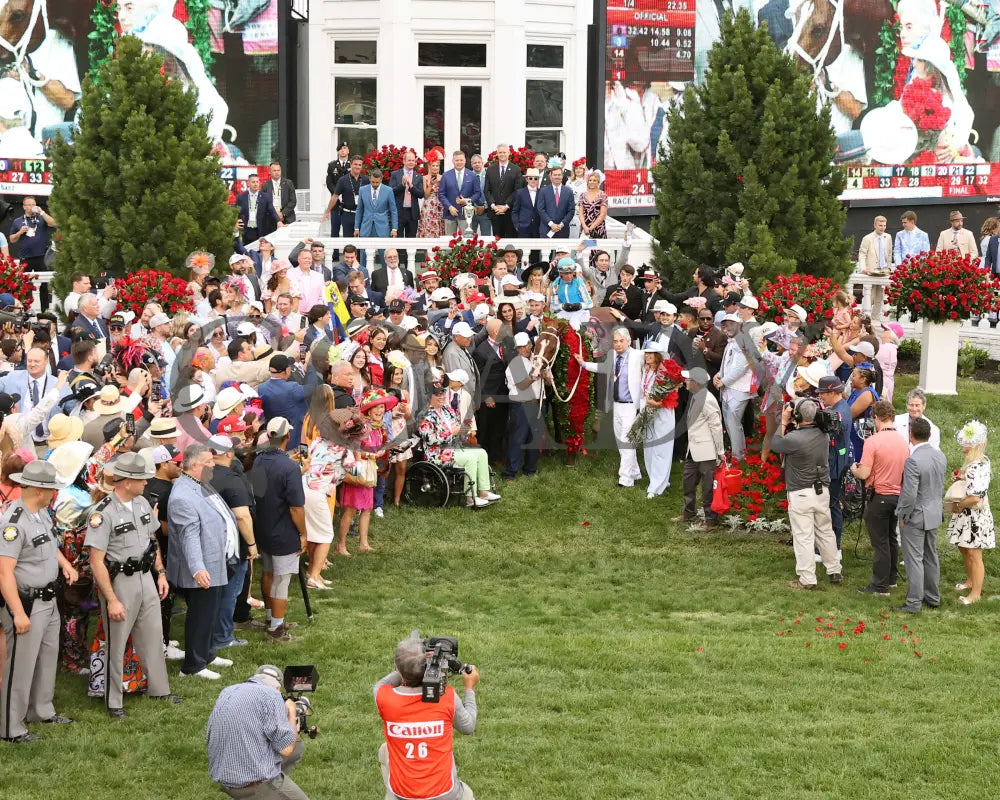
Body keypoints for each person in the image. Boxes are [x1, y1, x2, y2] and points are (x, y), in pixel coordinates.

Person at [86, 452, 182, 714]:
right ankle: (113, 701)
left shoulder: (141, 503)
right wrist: (112, 599)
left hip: (145, 578)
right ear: (126, 482)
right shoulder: (102, 513)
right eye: (141, 479)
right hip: (119, 582)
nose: (146, 483)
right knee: (116, 643)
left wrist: (160, 573)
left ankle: (160, 689)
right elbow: (96, 561)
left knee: (153, 635)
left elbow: (152, 541)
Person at [0, 461, 78, 743]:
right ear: (38, 489)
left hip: (48, 599)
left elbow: (47, 546)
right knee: (20, 665)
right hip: (27, 603)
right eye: (51, 488)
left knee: (47, 657)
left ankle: (41, 710)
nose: (54, 493)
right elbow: (4, 572)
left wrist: (65, 564)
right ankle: (11, 726)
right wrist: (18, 613)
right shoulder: (14, 523)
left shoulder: (40, 513)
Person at [374, 633, 479, 800]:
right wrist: (469, 688)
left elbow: (382, 683)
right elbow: (468, 726)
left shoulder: (383, 697)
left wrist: (409, 664)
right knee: (467, 794)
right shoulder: (446, 697)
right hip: (445, 795)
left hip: (402, 795)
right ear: (427, 666)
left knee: (385, 749)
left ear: (397, 669)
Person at [167, 445, 238, 678]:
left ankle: (207, 653)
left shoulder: (199, 483)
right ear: (195, 465)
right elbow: (189, 537)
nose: (213, 464)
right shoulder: (182, 496)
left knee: (210, 612)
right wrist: (198, 568)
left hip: (214, 562)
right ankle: (193, 666)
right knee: (200, 615)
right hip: (200, 567)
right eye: (209, 461)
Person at [207, 664, 309, 800]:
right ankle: (266, 792)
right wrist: (291, 712)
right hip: (251, 784)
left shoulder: (228, 691)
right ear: (278, 688)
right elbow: (286, 749)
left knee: (298, 748)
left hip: (224, 775)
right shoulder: (272, 695)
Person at [771, 399, 843, 589]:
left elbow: (776, 444)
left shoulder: (794, 438)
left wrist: (784, 421)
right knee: (825, 531)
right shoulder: (823, 435)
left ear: (797, 416)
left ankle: (807, 578)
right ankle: (834, 570)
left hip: (800, 493)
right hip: (822, 491)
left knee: (803, 536)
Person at [250, 418, 307, 642]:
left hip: (262, 527)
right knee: (282, 580)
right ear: (287, 437)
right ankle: (276, 629)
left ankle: (271, 617)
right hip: (283, 531)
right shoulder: (290, 468)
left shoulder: (259, 459)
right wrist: (303, 533)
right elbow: (296, 508)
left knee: (268, 573)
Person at [850, 401, 910, 598]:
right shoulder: (903, 441)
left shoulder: (873, 441)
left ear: (876, 418)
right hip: (897, 496)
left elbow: (864, 472)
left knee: (880, 542)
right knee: (892, 538)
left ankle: (880, 586)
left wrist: (854, 469)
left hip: (879, 496)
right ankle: (891, 578)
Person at [208, 435, 256, 651]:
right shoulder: (232, 479)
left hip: (208, 543)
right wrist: (252, 544)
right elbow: (242, 517)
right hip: (232, 547)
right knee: (230, 592)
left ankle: (211, 632)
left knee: (214, 593)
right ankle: (223, 636)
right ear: (228, 454)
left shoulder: (201, 475)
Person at [893, 417, 946, 614]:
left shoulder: (913, 460)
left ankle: (913, 602)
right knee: (931, 556)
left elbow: (909, 495)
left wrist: (903, 516)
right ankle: (933, 597)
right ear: (930, 435)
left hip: (915, 515)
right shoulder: (940, 456)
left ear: (911, 435)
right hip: (933, 512)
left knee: (914, 559)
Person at [578, 327, 642, 487]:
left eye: (621, 341)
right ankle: (634, 472)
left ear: (628, 341)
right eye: (615, 341)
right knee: (621, 440)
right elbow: (604, 368)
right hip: (616, 404)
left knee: (627, 440)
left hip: (630, 405)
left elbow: (658, 361)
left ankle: (625, 479)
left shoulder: (638, 356)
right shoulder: (613, 356)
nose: (618, 344)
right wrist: (584, 364)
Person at [419, 381, 499, 508]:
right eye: (437, 395)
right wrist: (451, 433)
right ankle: (470, 498)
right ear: (429, 397)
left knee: (482, 453)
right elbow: (430, 439)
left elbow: (457, 427)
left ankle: (484, 491)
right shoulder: (425, 415)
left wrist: (463, 429)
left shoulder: (448, 410)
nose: (441, 397)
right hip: (437, 453)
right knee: (470, 458)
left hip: (454, 447)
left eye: (442, 394)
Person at [947, 420, 994, 605]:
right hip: (968, 515)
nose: (963, 445)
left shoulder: (977, 465)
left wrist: (959, 505)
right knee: (964, 546)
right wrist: (961, 475)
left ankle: (975, 593)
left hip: (974, 515)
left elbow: (975, 497)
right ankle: (970, 580)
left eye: (966, 442)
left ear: (974, 444)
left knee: (974, 553)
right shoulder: (978, 461)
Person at [672, 367, 724, 529]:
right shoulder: (696, 396)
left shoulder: (707, 400)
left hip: (707, 451)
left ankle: (711, 521)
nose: (685, 381)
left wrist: (720, 452)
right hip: (693, 450)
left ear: (696, 383)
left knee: (708, 488)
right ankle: (688, 513)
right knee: (688, 482)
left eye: (688, 380)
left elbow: (716, 427)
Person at [503, 332, 546, 481]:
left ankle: (530, 469)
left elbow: (547, 382)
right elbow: (521, 386)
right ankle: (510, 473)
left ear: (531, 345)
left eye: (526, 346)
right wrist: (534, 376)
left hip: (538, 403)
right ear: (517, 349)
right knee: (517, 439)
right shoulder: (515, 363)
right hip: (521, 406)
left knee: (535, 438)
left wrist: (545, 374)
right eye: (520, 348)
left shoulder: (539, 359)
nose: (524, 349)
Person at [816, 376, 853, 553]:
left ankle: (834, 547)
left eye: (822, 394)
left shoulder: (840, 413)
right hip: (837, 464)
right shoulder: (841, 407)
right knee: (832, 504)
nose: (821, 397)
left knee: (831, 505)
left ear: (832, 392)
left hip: (834, 468)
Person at [713, 314, 752, 462]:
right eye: (724, 325)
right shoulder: (732, 342)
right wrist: (719, 374)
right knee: (731, 424)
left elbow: (740, 368)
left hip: (739, 390)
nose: (727, 328)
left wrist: (723, 381)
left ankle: (738, 457)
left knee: (734, 423)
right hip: (729, 387)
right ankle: (737, 453)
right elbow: (728, 364)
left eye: (730, 324)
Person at [438, 150, 482, 236]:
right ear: (453, 161)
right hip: (450, 214)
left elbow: (477, 193)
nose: (459, 162)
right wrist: (450, 207)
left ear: (465, 160)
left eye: (461, 160)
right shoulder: (446, 175)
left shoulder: (472, 175)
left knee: (466, 241)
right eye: (457, 160)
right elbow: (441, 194)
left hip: (466, 215)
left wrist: (468, 200)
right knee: (449, 241)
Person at [484, 143, 522, 238]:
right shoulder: (490, 169)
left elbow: (517, 190)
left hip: (510, 212)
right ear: (497, 154)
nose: (502, 154)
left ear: (509, 153)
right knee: (496, 240)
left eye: (504, 152)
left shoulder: (516, 169)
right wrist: (493, 206)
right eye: (500, 152)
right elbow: (487, 190)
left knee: (510, 239)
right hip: (495, 212)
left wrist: (506, 206)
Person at [9, 197, 56, 273]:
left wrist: (42, 212)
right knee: (23, 282)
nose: (32, 206)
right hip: (25, 257)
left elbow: (54, 223)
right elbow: (12, 239)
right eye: (29, 205)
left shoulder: (42, 218)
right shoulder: (17, 221)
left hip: (42, 257)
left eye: (34, 204)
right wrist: (20, 232)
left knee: (44, 282)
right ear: (24, 207)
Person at [390, 149, 425, 239]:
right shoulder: (395, 174)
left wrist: (412, 187)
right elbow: (391, 192)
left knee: (411, 239)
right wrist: (402, 185)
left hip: (412, 213)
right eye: (409, 160)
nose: (411, 162)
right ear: (404, 161)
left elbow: (421, 194)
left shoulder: (419, 176)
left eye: (413, 160)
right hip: (399, 212)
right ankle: (400, 254)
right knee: (399, 240)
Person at [355, 167, 399, 239]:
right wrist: (356, 227)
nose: (375, 184)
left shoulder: (388, 190)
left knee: (383, 250)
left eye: (377, 182)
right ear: (370, 179)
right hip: (366, 228)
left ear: (381, 180)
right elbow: (359, 209)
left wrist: (394, 229)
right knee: (364, 250)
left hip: (383, 228)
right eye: (372, 182)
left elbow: (393, 210)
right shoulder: (362, 190)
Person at [237, 174, 279, 245]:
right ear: (248, 183)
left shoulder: (266, 197)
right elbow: (237, 212)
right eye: (253, 182)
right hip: (247, 230)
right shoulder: (241, 197)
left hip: (261, 230)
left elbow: (271, 210)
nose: (255, 184)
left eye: (257, 182)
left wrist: (278, 221)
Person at [536, 162, 575, 238]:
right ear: (550, 177)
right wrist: (551, 224)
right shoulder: (543, 191)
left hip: (563, 230)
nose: (557, 177)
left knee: (561, 250)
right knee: (546, 250)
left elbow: (571, 211)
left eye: (559, 175)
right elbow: (541, 209)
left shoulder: (569, 192)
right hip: (546, 230)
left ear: (562, 176)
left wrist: (561, 225)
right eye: (555, 175)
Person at [417, 150, 446, 238]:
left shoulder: (443, 177)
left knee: (439, 233)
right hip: (429, 208)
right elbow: (425, 196)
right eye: (433, 165)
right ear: (429, 166)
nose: (435, 167)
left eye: (437, 166)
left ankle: (438, 252)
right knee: (428, 232)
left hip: (440, 208)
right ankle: (426, 252)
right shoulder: (424, 178)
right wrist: (430, 185)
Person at [326, 141, 352, 237]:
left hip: (349, 203)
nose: (342, 151)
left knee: (348, 231)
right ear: (337, 151)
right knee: (335, 230)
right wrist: (337, 193)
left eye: (345, 148)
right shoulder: (332, 165)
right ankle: (335, 252)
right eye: (340, 149)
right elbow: (329, 183)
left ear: (348, 150)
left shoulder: (352, 165)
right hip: (336, 203)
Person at [260, 162, 297, 226]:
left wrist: (283, 213)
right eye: (274, 170)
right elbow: (263, 203)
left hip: (288, 218)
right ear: (270, 172)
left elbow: (293, 201)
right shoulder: (265, 185)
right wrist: (274, 214)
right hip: (271, 219)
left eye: (278, 170)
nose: (277, 172)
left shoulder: (288, 183)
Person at [577, 171, 608, 239]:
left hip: (598, 229)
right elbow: (581, 213)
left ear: (598, 182)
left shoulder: (603, 195)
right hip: (585, 228)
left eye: (594, 180)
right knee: (584, 248)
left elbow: (602, 214)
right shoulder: (583, 195)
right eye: (590, 180)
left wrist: (591, 228)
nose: (592, 182)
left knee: (596, 247)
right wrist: (585, 226)